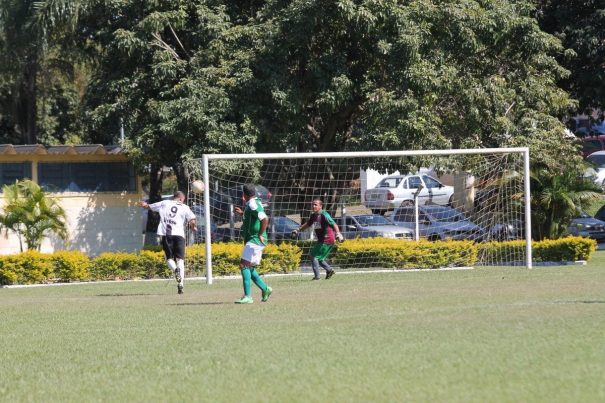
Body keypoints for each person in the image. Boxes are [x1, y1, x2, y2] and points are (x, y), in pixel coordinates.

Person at [139, 191, 196, 294]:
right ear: (180, 199)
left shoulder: (165, 203)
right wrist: (193, 227)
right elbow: (192, 220)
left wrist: (144, 204)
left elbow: (148, 206)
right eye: (183, 200)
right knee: (180, 260)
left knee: (169, 258)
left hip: (167, 235)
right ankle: (181, 284)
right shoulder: (185, 207)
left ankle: (175, 270)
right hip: (179, 236)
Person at [232, 184, 272, 304]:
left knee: (244, 266)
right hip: (252, 240)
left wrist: (260, 233)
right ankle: (265, 289)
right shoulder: (251, 203)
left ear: (244, 194)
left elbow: (264, 219)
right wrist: (242, 213)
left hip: (255, 239)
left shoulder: (253, 204)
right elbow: (254, 217)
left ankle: (248, 296)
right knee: (249, 267)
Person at [292, 198, 343, 280]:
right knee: (319, 258)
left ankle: (317, 277)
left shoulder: (324, 214)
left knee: (313, 256)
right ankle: (329, 270)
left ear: (320, 206)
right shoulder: (314, 215)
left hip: (327, 239)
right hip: (322, 240)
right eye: (313, 204)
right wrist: (298, 230)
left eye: (316, 204)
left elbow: (334, 224)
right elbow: (308, 224)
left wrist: (338, 233)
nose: (313, 206)